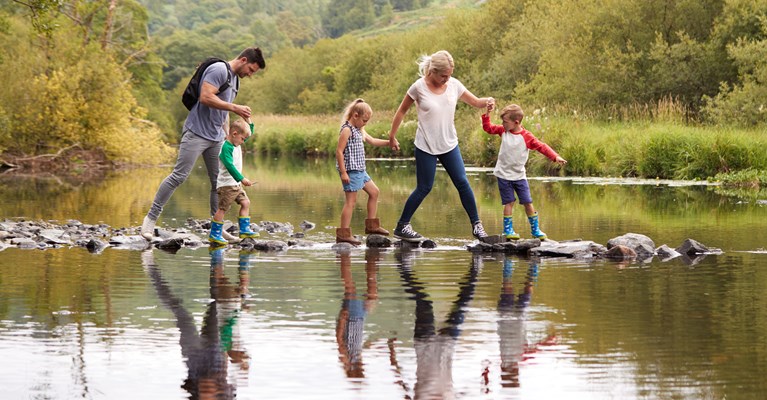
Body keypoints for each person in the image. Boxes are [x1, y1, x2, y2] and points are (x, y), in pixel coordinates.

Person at [141, 47, 266, 241]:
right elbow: (206, 97)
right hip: (196, 133)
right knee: (179, 176)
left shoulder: (234, 81)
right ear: (243, 60)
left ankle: (216, 228)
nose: (250, 75)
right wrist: (234, 107)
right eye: (250, 70)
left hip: (217, 137)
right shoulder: (219, 70)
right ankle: (150, 220)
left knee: (218, 182)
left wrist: (226, 135)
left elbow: (222, 113)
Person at [387, 50, 494, 242]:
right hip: (426, 144)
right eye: (444, 76)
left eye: (450, 75)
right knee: (424, 187)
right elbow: (401, 111)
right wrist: (392, 136)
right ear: (433, 71)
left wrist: (488, 101)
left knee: (462, 182)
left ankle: (477, 227)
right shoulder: (418, 87)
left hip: (449, 143)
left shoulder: (454, 85)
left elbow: (476, 102)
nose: (447, 79)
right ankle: (402, 226)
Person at [482, 103, 567, 240]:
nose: (503, 124)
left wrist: (555, 156)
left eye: (505, 122)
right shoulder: (503, 131)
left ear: (516, 122)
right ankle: (508, 230)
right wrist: (487, 115)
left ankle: (535, 230)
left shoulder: (526, 136)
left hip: (520, 176)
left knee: (527, 202)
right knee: (508, 202)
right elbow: (488, 128)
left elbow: (541, 146)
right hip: (503, 175)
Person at [335, 98, 391, 245]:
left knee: (374, 192)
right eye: (364, 120)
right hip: (351, 171)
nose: (365, 123)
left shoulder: (359, 130)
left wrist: (389, 142)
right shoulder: (347, 130)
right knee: (350, 202)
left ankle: (372, 226)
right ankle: (343, 233)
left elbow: (372, 141)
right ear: (355, 115)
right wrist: (343, 172)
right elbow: (339, 152)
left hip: (361, 170)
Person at [209, 118, 259, 245]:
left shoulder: (237, 142)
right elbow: (230, 166)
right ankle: (215, 234)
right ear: (234, 134)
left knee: (245, 202)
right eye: (243, 139)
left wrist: (249, 121)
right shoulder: (226, 148)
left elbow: (248, 133)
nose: (244, 142)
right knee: (222, 209)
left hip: (235, 185)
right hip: (227, 185)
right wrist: (242, 178)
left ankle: (244, 230)